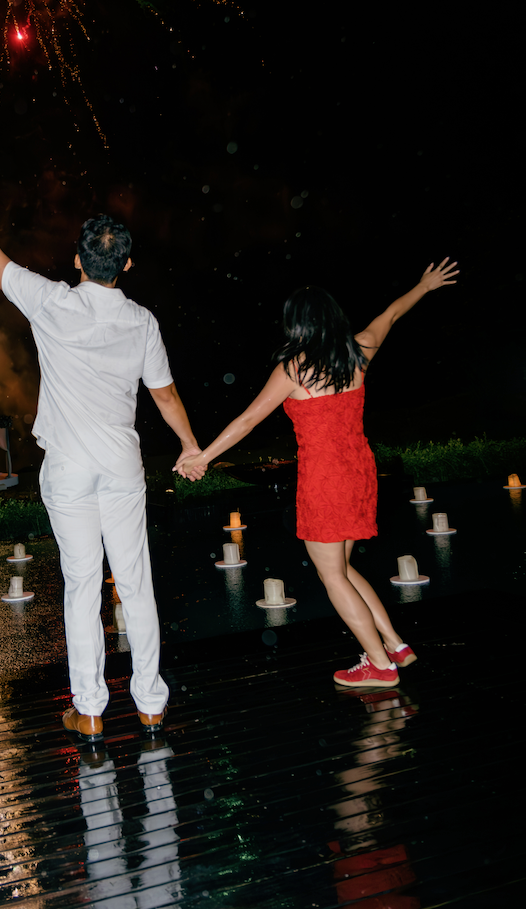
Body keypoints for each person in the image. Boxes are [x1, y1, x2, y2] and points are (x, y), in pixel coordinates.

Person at [0, 141, 201, 738]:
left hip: (68, 467)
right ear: (127, 267)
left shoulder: (54, 302)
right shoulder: (142, 321)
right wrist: (189, 446)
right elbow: (165, 396)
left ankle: (89, 710)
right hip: (120, 462)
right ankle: (150, 702)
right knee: (135, 581)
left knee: (83, 585)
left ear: (79, 262)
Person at [175, 260, 459, 687]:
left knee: (331, 576)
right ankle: (395, 644)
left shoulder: (295, 368)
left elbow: (248, 420)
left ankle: (380, 666)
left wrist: (204, 457)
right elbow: (393, 313)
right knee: (342, 568)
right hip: (360, 471)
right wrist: (424, 286)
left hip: (325, 478)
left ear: (297, 325)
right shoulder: (360, 348)